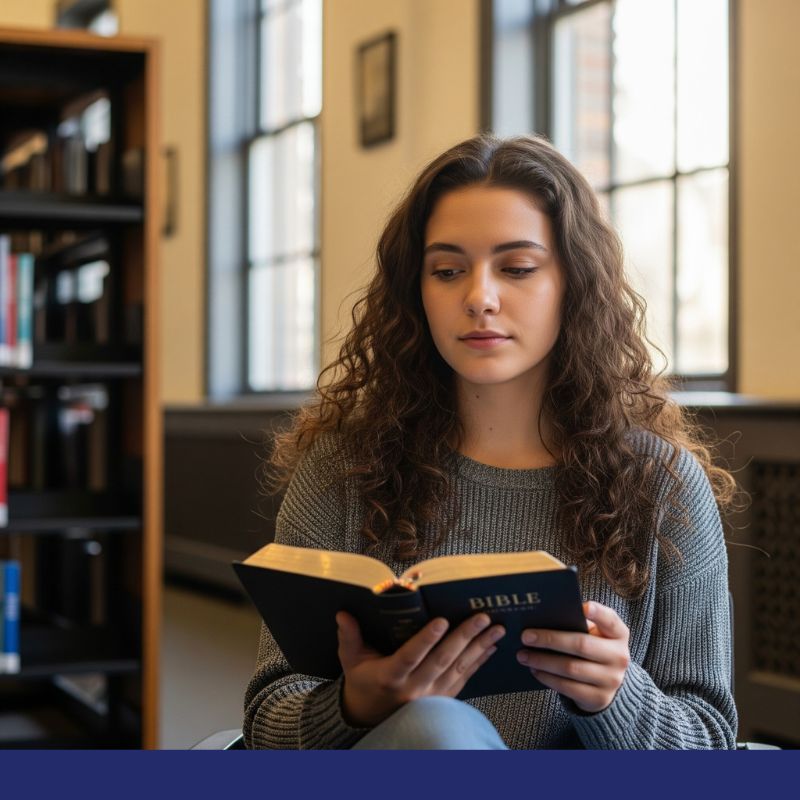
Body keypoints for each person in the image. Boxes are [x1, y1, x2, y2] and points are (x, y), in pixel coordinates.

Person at [243, 133, 739, 749]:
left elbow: (713, 743)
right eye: (447, 271)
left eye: (518, 268)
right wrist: (356, 703)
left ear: (573, 285)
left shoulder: (661, 484)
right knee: (434, 730)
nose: (478, 297)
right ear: (415, 291)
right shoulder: (343, 469)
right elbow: (267, 722)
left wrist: (617, 696)